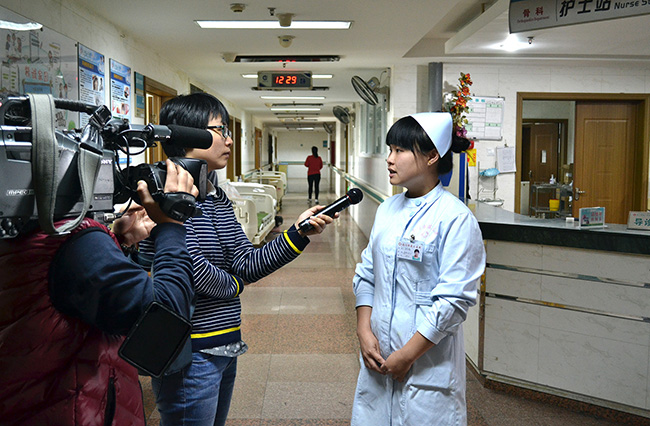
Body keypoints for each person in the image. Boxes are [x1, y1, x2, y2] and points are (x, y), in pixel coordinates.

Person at [140, 92, 335, 426]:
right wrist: (234, 285)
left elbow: (245, 262)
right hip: (189, 352)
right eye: (220, 130)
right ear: (189, 135)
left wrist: (297, 233)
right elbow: (191, 270)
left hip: (224, 344)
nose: (229, 140)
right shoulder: (164, 199)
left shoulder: (215, 196)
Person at [0, 159, 198, 426]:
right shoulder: (75, 243)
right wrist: (172, 226)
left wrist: (118, 240)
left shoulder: (31, 229)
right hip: (73, 409)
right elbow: (165, 319)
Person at [351, 112, 486, 426]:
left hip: (427, 366)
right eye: (390, 150)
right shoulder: (387, 209)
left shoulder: (455, 219)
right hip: (378, 357)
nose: (389, 159)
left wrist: (407, 355)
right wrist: (363, 329)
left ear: (431, 156)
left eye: (399, 150)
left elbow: (453, 301)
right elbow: (367, 274)